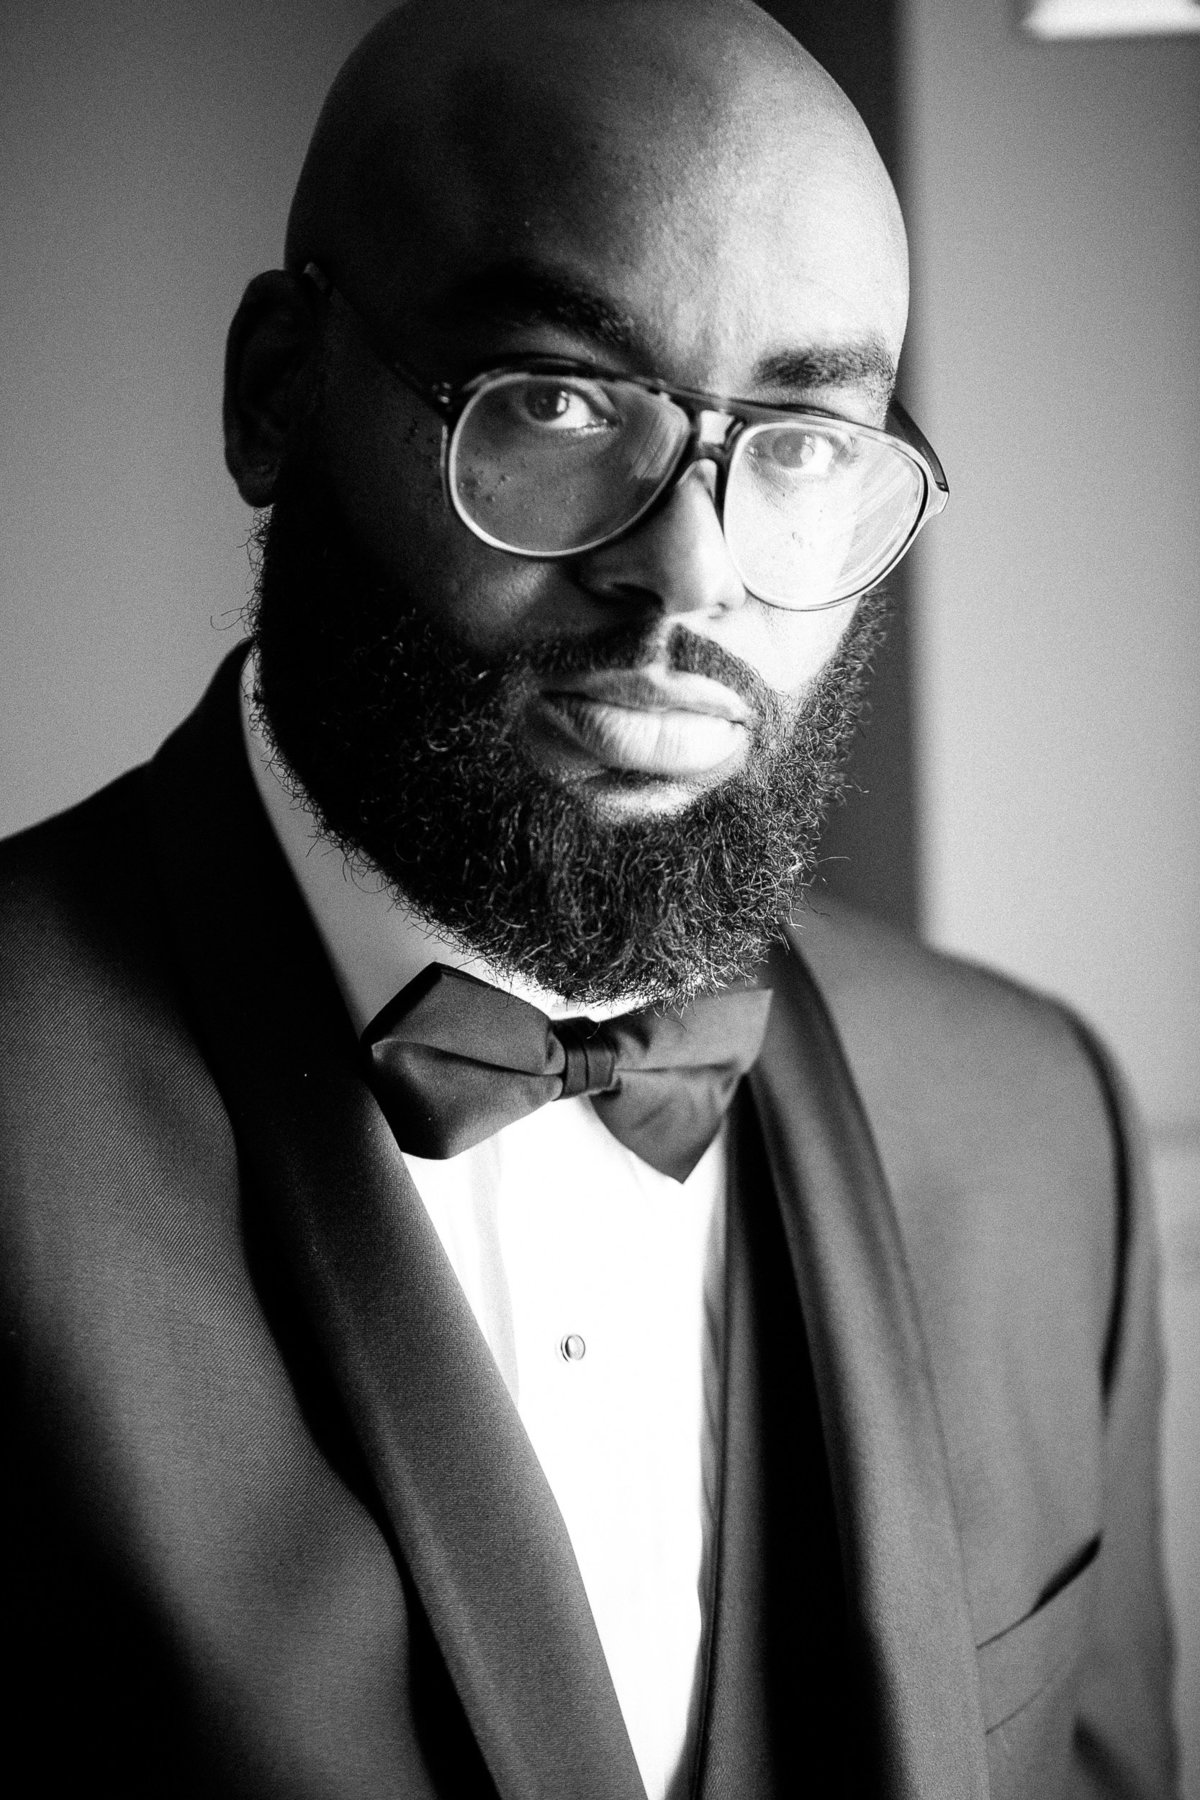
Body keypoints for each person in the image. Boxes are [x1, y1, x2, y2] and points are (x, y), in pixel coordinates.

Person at [0, 1, 1177, 1795]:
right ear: (278, 395)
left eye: (798, 435)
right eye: (557, 400)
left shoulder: (1036, 1130)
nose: (690, 569)